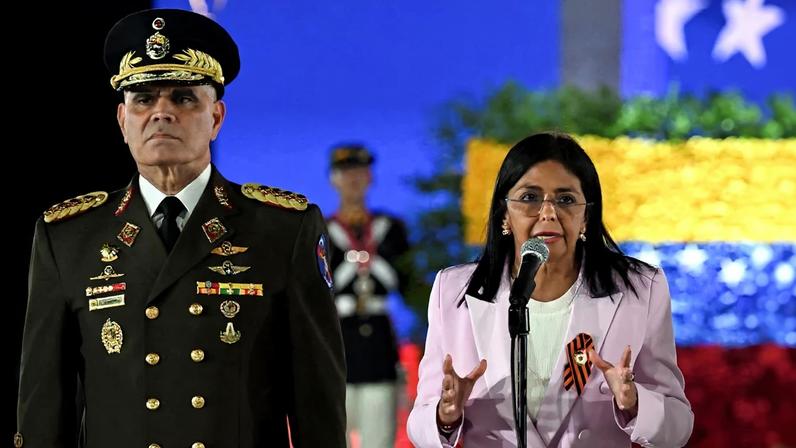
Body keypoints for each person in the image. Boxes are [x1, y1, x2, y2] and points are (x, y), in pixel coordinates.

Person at [15, 8, 346, 448]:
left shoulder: (283, 229)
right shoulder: (69, 236)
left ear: (217, 118)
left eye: (184, 97)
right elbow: (43, 408)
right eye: (144, 99)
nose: (161, 113)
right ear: (122, 120)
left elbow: (317, 406)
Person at [407, 132, 693, 447]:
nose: (548, 213)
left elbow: (678, 427)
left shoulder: (640, 289)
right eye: (529, 197)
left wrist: (635, 403)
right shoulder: (454, 291)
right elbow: (419, 423)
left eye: (566, 199)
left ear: (587, 214)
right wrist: (445, 415)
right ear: (505, 213)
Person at [326, 143, 410, 448]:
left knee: (380, 435)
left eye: (360, 172)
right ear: (333, 179)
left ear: (371, 178)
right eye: (346, 173)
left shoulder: (391, 228)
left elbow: (407, 282)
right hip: (339, 341)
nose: (354, 180)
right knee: (337, 434)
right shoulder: (320, 230)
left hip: (378, 344)